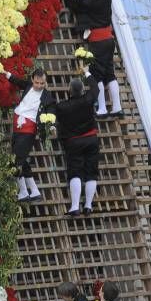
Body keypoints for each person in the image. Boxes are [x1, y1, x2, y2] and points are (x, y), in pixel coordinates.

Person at [66, 0, 123, 119]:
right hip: (109, 40)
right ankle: (117, 107)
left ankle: (102, 108)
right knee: (109, 73)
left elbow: (77, 2)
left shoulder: (91, 1)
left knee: (96, 74)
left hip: (98, 42)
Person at [4, 68, 56, 202]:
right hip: (17, 126)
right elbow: (18, 81)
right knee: (23, 159)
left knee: (16, 160)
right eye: (37, 82)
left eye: (42, 83)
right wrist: (7, 74)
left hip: (29, 129)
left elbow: (51, 112)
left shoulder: (47, 96)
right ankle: (34, 191)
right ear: (32, 80)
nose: (39, 86)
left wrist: (51, 126)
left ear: (45, 82)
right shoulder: (28, 86)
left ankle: (22, 192)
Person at [55, 70, 100, 216]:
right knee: (91, 172)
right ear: (82, 89)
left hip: (73, 142)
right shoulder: (88, 99)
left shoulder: (62, 107)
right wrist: (87, 72)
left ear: (69, 90)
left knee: (75, 172)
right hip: (91, 139)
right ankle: (88, 205)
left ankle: (75, 206)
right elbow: (96, 88)